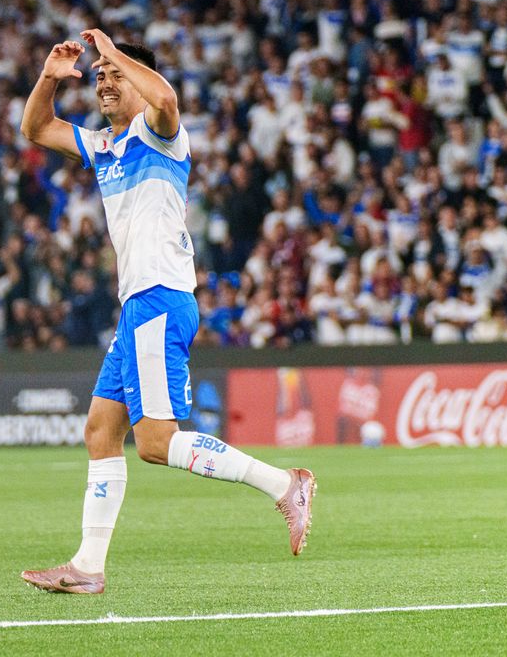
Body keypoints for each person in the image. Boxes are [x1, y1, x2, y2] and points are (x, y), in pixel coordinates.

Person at [18, 32, 316, 594]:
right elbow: (35, 129)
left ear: (134, 78)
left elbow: (167, 101)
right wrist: (51, 77)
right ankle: (87, 567)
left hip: (161, 296)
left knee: (155, 442)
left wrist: (113, 51)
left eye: (113, 75)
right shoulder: (103, 148)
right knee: (101, 433)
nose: (104, 82)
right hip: (138, 305)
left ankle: (285, 484)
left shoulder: (160, 136)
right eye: (99, 76)